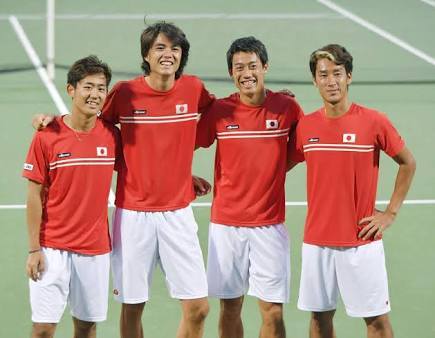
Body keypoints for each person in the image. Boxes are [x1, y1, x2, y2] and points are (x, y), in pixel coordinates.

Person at [287, 44, 416, 338]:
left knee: (376, 323)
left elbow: (408, 162)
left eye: (337, 73)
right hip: (317, 241)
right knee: (319, 320)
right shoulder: (306, 126)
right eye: (323, 75)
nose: (331, 81)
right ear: (314, 81)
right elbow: (276, 165)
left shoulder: (373, 121)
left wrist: (391, 212)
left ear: (349, 77)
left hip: (362, 241)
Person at [196, 37, 303, 338]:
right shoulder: (220, 111)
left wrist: (273, 170)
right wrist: (186, 178)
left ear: (265, 67)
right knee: (230, 306)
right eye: (239, 67)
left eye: (252, 66)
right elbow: (182, 144)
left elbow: (302, 148)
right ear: (231, 73)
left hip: (269, 226)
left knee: (273, 311)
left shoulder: (287, 108)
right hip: (226, 226)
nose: (247, 73)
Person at [23, 55, 120, 338]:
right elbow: (34, 195)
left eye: (101, 88)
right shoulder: (47, 135)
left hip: (95, 249)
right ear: (71, 90)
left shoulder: (112, 136)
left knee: (87, 327)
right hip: (52, 248)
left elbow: (141, 169)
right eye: (88, 87)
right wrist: (33, 249)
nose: (95, 94)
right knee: (43, 329)